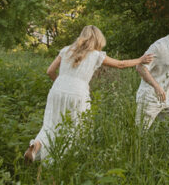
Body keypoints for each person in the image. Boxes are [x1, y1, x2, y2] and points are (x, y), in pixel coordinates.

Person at [24, 25, 152, 163]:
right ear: (98, 40)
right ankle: (63, 162)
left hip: (56, 90)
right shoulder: (96, 55)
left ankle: (36, 145)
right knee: (77, 128)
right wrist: (140, 60)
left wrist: (61, 84)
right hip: (78, 93)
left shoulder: (66, 50)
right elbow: (121, 64)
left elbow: (50, 71)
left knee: (50, 124)